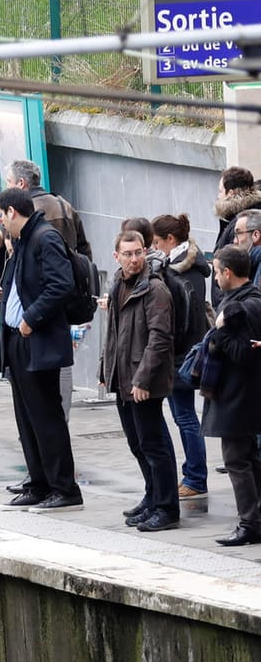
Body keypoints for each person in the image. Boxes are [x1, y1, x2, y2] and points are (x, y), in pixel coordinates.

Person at [0, 187, 83, 513]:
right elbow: (12, 281)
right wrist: (0, 247)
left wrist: (31, 318)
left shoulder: (44, 238)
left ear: (12, 212)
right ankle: (38, 483)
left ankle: (64, 488)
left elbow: (61, 284)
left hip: (37, 339)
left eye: (2, 215)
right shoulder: (24, 240)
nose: (0, 221)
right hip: (19, 340)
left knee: (46, 417)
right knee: (27, 418)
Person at [100, 230, 180, 532]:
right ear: (116, 256)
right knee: (137, 443)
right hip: (123, 379)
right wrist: (105, 370)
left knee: (153, 444)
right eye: (128, 254)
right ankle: (152, 497)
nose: (134, 259)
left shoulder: (154, 288)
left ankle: (166, 508)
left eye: (139, 253)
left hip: (143, 382)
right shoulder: (119, 283)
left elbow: (160, 338)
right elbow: (114, 335)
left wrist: (143, 379)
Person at [202, 245, 261, 546]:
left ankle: (249, 524)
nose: (214, 278)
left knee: (237, 460)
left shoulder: (246, 307)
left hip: (239, 397)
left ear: (227, 272)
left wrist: (220, 330)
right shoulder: (242, 300)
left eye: (215, 271)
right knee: (248, 458)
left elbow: (243, 355)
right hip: (239, 396)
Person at [151, 213, 211, 501]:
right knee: (184, 416)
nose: (154, 248)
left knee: (185, 417)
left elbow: (182, 317)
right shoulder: (188, 268)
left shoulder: (181, 272)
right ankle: (194, 474)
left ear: (170, 240)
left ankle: (196, 477)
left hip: (181, 354)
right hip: (186, 351)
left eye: (157, 242)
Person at [4, 158, 93, 260]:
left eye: (9, 181)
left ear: (21, 183)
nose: (7, 186)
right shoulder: (64, 205)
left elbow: (14, 259)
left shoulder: (20, 213)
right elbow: (84, 249)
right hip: (69, 272)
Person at [213, 167, 261, 302]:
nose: (218, 196)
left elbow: (230, 267)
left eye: (220, 191)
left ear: (231, 193)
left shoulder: (241, 222)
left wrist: (226, 307)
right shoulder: (234, 219)